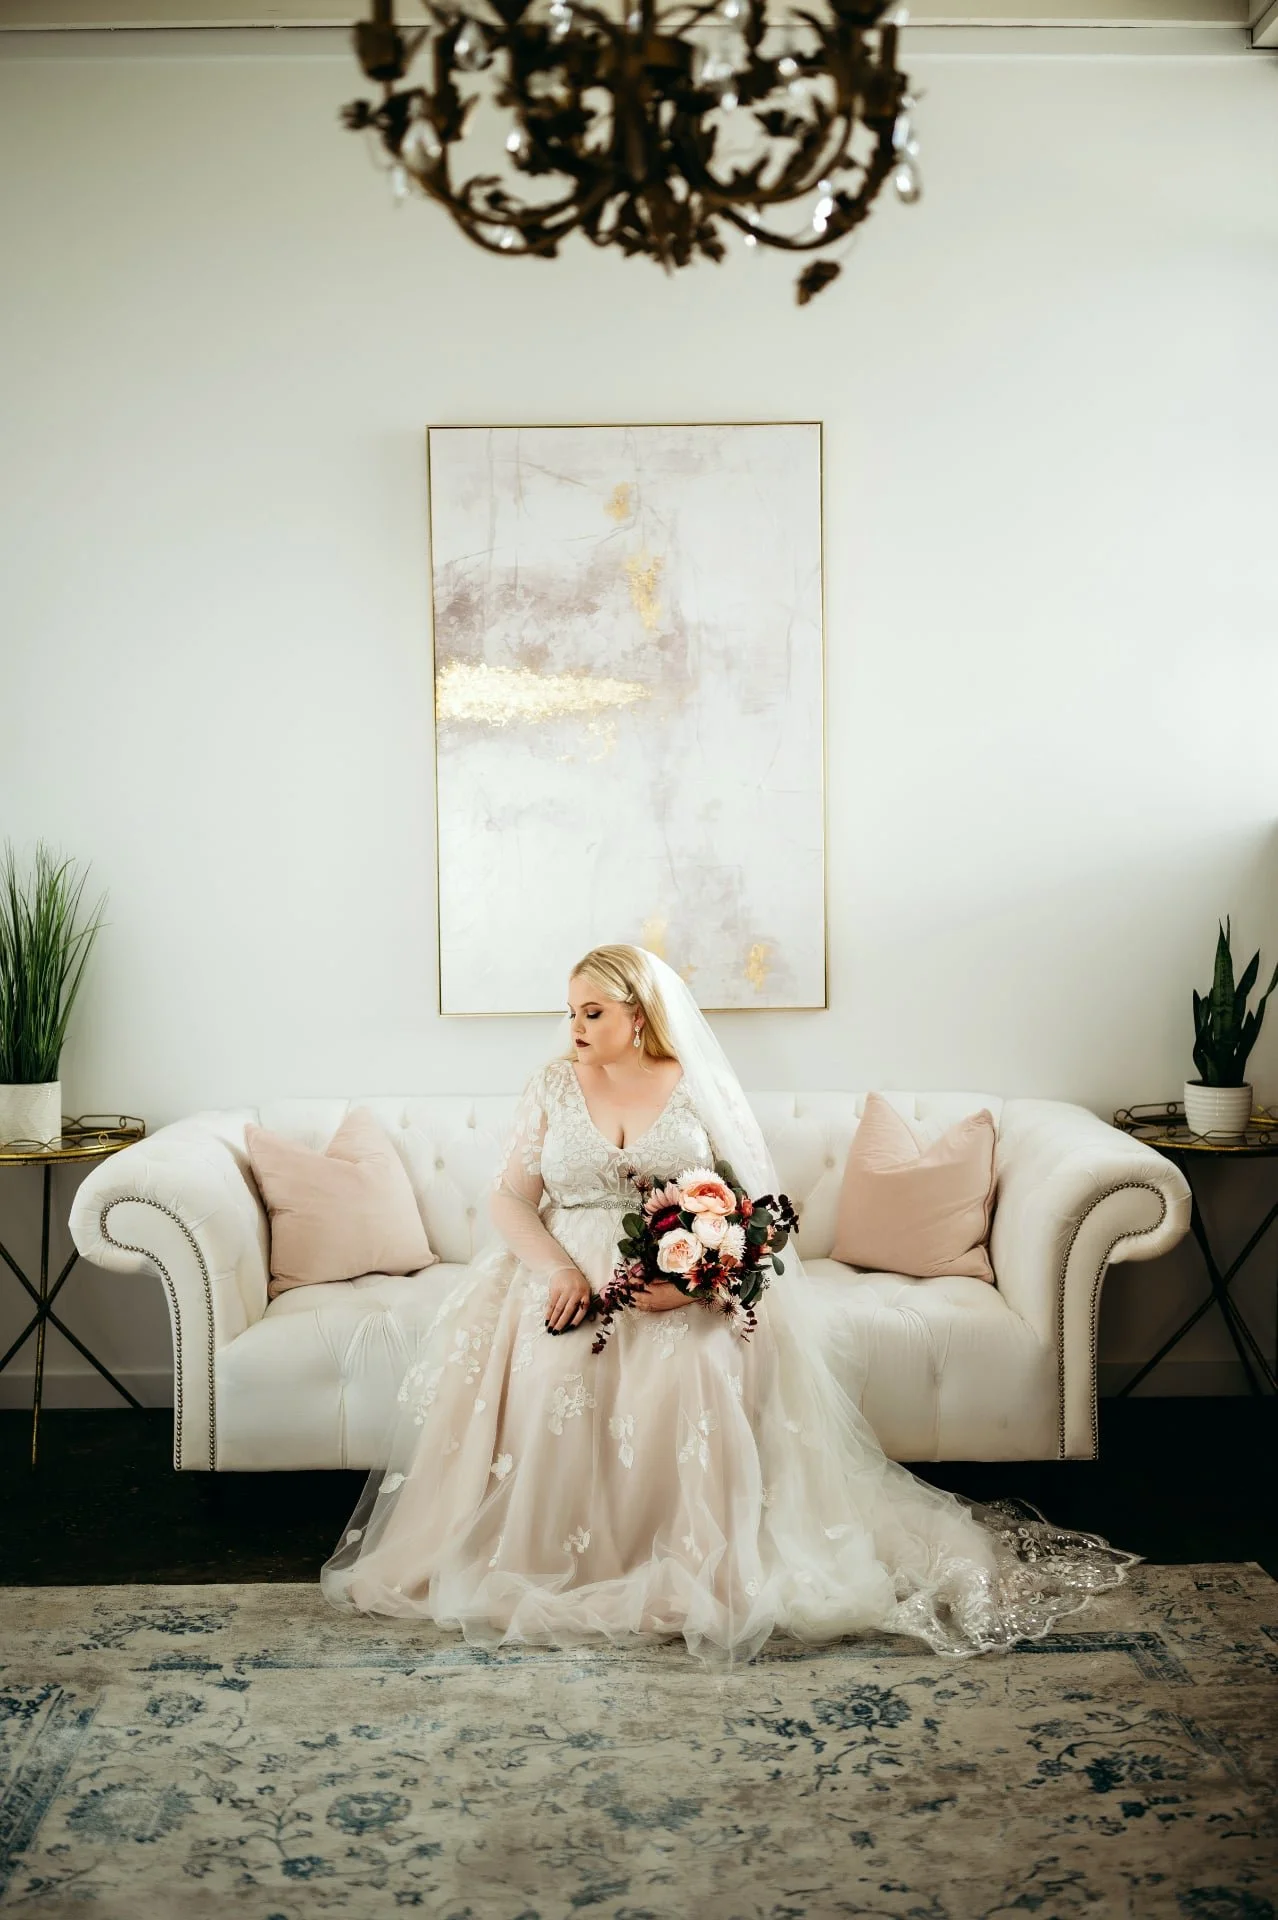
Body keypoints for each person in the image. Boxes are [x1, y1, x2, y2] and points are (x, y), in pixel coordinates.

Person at [320, 943, 1137, 1664]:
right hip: (563, 1267)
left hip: (683, 1284)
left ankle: (697, 1560)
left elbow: (762, 1212)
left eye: (592, 1011)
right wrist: (559, 1271)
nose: (573, 1024)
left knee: (701, 1369)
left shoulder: (693, 1086)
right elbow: (506, 1200)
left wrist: (691, 1282)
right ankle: (567, 1557)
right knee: (549, 1365)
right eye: (569, 1010)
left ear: (637, 1016)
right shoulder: (551, 1085)